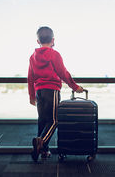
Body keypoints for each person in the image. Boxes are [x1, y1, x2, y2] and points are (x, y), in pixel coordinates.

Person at [28, 26, 83, 161]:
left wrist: (31, 95)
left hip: (39, 91)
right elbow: (62, 73)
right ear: (53, 40)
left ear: (37, 41)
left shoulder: (33, 56)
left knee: (42, 121)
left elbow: (30, 77)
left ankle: (43, 151)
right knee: (54, 121)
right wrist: (74, 87)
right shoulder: (54, 54)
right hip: (51, 90)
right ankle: (41, 142)